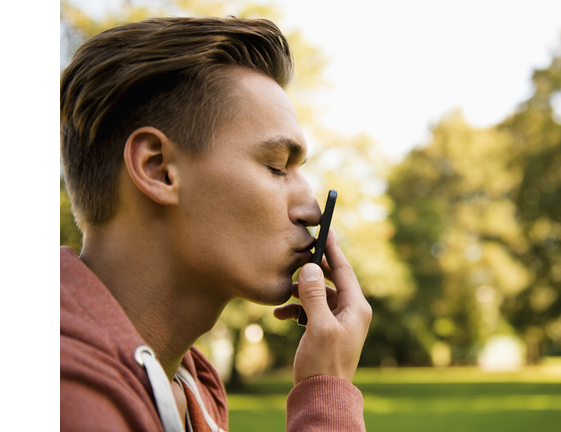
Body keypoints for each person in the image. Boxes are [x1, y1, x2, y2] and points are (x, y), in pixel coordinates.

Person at [60, 16, 372, 431]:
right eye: (277, 166)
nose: (311, 211)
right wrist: (327, 395)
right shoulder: (67, 393)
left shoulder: (193, 389)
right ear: (158, 169)